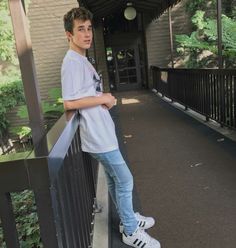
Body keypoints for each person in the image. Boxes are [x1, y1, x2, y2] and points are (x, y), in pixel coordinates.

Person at [61, 7, 161, 248]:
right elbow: (69, 102)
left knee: (116, 181)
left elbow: (85, 95)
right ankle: (129, 231)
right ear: (69, 35)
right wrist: (103, 98)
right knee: (125, 180)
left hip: (102, 132)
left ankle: (128, 218)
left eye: (88, 29)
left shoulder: (82, 59)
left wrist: (103, 98)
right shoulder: (72, 63)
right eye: (80, 30)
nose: (86, 34)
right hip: (98, 137)